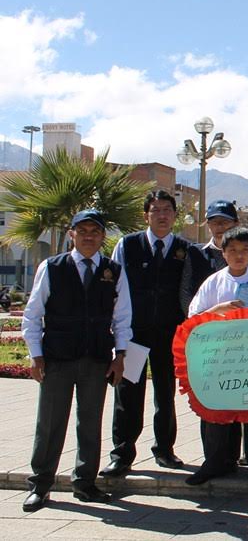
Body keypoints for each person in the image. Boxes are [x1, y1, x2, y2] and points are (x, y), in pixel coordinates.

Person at [21, 210, 133, 512]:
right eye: (82, 230)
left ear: (102, 236)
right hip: (58, 357)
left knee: (90, 423)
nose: (88, 236)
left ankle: (85, 482)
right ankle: (40, 484)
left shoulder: (113, 270)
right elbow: (32, 315)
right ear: (71, 234)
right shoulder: (52, 267)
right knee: (50, 423)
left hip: (96, 358)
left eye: (94, 231)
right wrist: (36, 355)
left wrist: (119, 356)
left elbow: (122, 318)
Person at [186, 226, 248, 489]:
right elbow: (193, 318)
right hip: (219, 362)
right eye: (232, 250)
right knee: (216, 414)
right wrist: (218, 311)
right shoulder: (213, 282)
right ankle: (214, 463)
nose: (239, 255)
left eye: (245, 250)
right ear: (223, 253)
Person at [102, 190, 189, 479]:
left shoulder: (184, 249)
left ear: (175, 215)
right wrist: (115, 331)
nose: (162, 215)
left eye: (167, 209)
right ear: (146, 215)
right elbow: (113, 288)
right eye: (156, 210)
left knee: (165, 393)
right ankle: (122, 454)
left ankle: (164, 449)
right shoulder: (128, 245)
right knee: (127, 394)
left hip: (169, 333)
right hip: (135, 333)